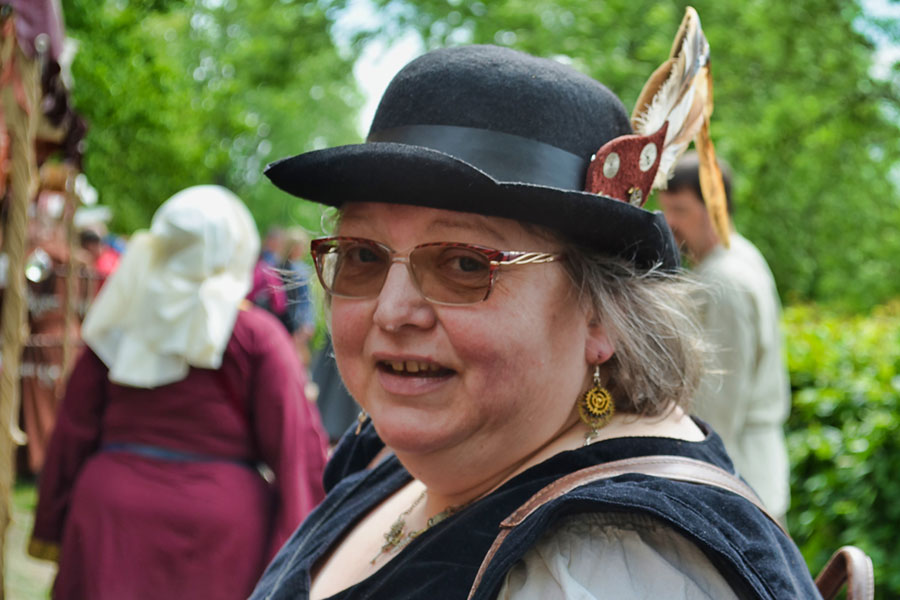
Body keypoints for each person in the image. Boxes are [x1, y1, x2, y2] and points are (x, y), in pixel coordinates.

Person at [251, 22, 820, 600]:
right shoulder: (405, 458)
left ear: (600, 313)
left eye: (464, 264)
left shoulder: (608, 566)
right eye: (363, 256)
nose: (392, 311)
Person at [29, 185, 329, 600]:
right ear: (237, 247)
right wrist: (299, 554)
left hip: (112, 522)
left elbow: (71, 432)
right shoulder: (257, 336)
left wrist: (51, 522)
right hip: (218, 531)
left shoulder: (117, 323)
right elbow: (296, 449)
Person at [658, 152, 791, 522]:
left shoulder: (724, 282)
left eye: (680, 210)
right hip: (751, 477)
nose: (669, 223)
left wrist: (696, 487)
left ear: (714, 205)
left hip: (735, 483)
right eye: (665, 210)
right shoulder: (742, 256)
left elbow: (717, 404)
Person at [279, 227, 317, 364]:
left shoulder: (303, 270)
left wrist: (308, 322)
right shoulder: (280, 266)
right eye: (297, 246)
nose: (300, 250)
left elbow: (307, 299)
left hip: (298, 321)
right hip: (283, 318)